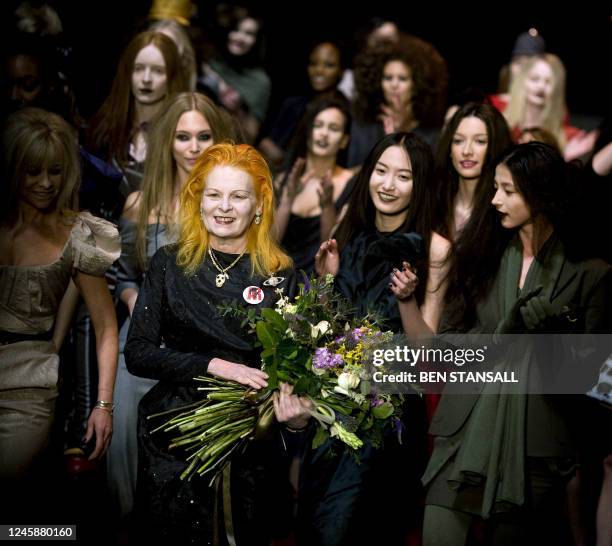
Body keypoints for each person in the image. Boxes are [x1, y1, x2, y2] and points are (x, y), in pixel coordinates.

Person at [421, 142, 612, 545]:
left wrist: (551, 340)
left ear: (540, 193)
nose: (494, 199)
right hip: (464, 431)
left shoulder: (591, 274)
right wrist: (499, 339)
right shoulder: (479, 254)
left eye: (508, 190)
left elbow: (593, 384)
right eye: (494, 188)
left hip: (535, 448)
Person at [124, 143, 310, 544]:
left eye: (238, 196)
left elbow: (298, 371)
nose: (224, 207)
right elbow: (137, 352)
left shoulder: (282, 277)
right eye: (214, 194)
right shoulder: (169, 264)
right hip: (172, 437)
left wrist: (298, 414)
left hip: (250, 445)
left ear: (258, 206)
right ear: (198, 200)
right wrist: (213, 365)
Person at [303, 132, 448, 545]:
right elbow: (322, 327)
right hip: (331, 405)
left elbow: (427, 350)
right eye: (381, 171)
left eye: (403, 176)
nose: (388, 184)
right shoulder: (349, 223)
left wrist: (406, 300)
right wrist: (326, 281)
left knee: (360, 526)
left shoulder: (436, 249)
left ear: (420, 185)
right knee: (319, 521)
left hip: (390, 412)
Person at [106, 92, 235, 521]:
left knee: (188, 470)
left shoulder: (227, 205)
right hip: (144, 342)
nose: (194, 147)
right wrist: (137, 301)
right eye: (183, 136)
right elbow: (125, 275)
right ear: (168, 142)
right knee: (127, 447)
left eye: (203, 136)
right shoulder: (139, 204)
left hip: (205, 347)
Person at [0, 107, 119, 516]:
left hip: (30, 385)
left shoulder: (78, 234)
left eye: (54, 171)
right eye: (33, 171)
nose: (45, 184)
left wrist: (103, 407)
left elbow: (105, 327)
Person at [87, 30, 187, 197]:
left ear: (171, 77)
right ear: (128, 72)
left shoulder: (182, 132)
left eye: (158, 71)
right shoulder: (104, 127)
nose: (146, 78)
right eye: (138, 69)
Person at [274, 96, 353, 273]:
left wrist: (327, 206)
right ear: (307, 132)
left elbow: (332, 252)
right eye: (318, 126)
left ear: (344, 141)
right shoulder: (282, 180)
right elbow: (268, 245)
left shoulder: (351, 183)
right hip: (277, 277)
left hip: (319, 284)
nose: (324, 133)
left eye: (333, 128)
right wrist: (287, 200)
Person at [349, 32, 448, 167]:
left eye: (402, 79)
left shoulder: (431, 130)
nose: (393, 85)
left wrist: (400, 135)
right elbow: (351, 173)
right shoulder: (365, 124)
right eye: (388, 78)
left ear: (417, 84)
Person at [491, 53, 595, 161]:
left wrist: (564, 158)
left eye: (548, 82)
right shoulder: (499, 119)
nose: (541, 86)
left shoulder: (567, 137)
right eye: (535, 79)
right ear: (523, 81)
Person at [259, 41, 346, 169]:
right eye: (313, 64)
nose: (319, 71)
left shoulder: (344, 110)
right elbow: (271, 145)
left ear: (341, 71)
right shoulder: (294, 104)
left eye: (329, 65)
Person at [434, 102, 513, 240]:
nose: (466, 151)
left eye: (480, 141)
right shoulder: (434, 201)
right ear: (449, 149)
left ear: (495, 146)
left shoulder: (503, 211)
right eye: (458, 141)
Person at [199, 5, 270, 144]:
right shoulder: (210, 60)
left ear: (257, 40)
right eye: (236, 30)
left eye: (249, 34)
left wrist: (237, 110)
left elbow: (250, 138)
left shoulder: (260, 81)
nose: (240, 37)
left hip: (226, 147)